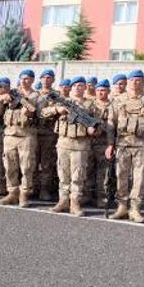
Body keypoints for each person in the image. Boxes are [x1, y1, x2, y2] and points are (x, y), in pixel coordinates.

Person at [105, 70, 144, 223]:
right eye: (132, 80)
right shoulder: (118, 100)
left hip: (142, 145)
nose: (135, 83)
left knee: (139, 178)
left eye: (138, 80)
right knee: (121, 176)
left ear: (143, 82)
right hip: (122, 144)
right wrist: (110, 144)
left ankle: (135, 209)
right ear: (128, 82)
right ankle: (122, 207)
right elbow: (111, 123)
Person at [42, 76, 100, 216]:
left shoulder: (91, 105)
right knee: (63, 173)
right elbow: (43, 113)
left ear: (85, 88)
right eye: (75, 85)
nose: (78, 88)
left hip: (81, 144)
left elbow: (100, 124)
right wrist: (57, 110)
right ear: (71, 87)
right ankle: (63, 201)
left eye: (81, 85)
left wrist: (94, 130)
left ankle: (75, 202)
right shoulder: (64, 102)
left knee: (78, 175)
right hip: (63, 142)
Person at [0, 70, 39, 207]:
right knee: (9, 166)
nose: (24, 81)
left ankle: (24, 194)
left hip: (27, 135)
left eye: (27, 79)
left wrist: (31, 114)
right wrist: (2, 100)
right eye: (22, 79)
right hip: (10, 135)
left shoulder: (37, 96)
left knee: (26, 167)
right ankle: (12, 193)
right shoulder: (12, 92)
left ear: (32, 80)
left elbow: (41, 116)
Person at [87, 78, 112, 207]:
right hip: (89, 143)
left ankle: (101, 197)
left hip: (105, 143)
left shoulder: (113, 105)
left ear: (108, 91)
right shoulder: (90, 105)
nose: (100, 92)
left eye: (103, 90)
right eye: (98, 90)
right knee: (88, 170)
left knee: (103, 173)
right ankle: (87, 195)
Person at [35, 69, 59, 200]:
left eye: (49, 78)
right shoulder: (35, 94)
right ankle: (32, 187)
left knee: (46, 164)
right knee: (31, 163)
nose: (46, 80)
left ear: (53, 80)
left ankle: (44, 189)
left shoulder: (57, 96)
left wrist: (50, 111)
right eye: (43, 77)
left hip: (49, 134)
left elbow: (58, 110)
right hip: (33, 132)